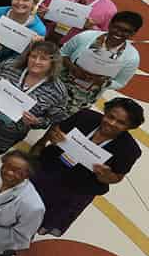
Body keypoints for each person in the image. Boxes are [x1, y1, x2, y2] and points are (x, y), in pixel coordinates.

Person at [30, 97, 143, 236]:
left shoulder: (130, 150)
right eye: (110, 116)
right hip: (48, 170)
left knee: (42, 219)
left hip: (77, 189)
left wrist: (106, 176)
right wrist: (55, 138)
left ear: (130, 127)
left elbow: (117, 177)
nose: (111, 123)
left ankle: (16, 245)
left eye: (121, 123)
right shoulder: (85, 116)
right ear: (105, 112)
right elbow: (56, 131)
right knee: (20, 203)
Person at [0, 41, 68, 160]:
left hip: (7, 135)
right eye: (33, 56)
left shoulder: (58, 91)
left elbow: (53, 119)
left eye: (43, 59)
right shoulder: (10, 65)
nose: (36, 61)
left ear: (53, 63)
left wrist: (36, 122)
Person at [57, 12, 142, 113]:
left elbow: (120, 82)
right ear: (110, 25)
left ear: (133, 34)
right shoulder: (86, 37)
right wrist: (72, 68)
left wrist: (102, 82)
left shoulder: (132, 57)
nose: (119, 33)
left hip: (81, 101)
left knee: (60, 126)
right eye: (116, 27)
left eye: (126, 31)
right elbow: (62, 53)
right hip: (57, 85)